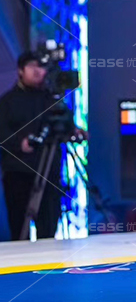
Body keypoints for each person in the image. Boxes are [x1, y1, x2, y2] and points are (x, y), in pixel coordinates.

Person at [0, 52, 83, 240]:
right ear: (21, 70)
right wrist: (19, 143)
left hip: (49, 173)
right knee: (19, 229)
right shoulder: (7, 102)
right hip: (19, 174)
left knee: (48, 228)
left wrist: (74, 131)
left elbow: (63, 124)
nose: (38, 71)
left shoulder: (51, 99)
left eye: (41, 67)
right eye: (32, 66)